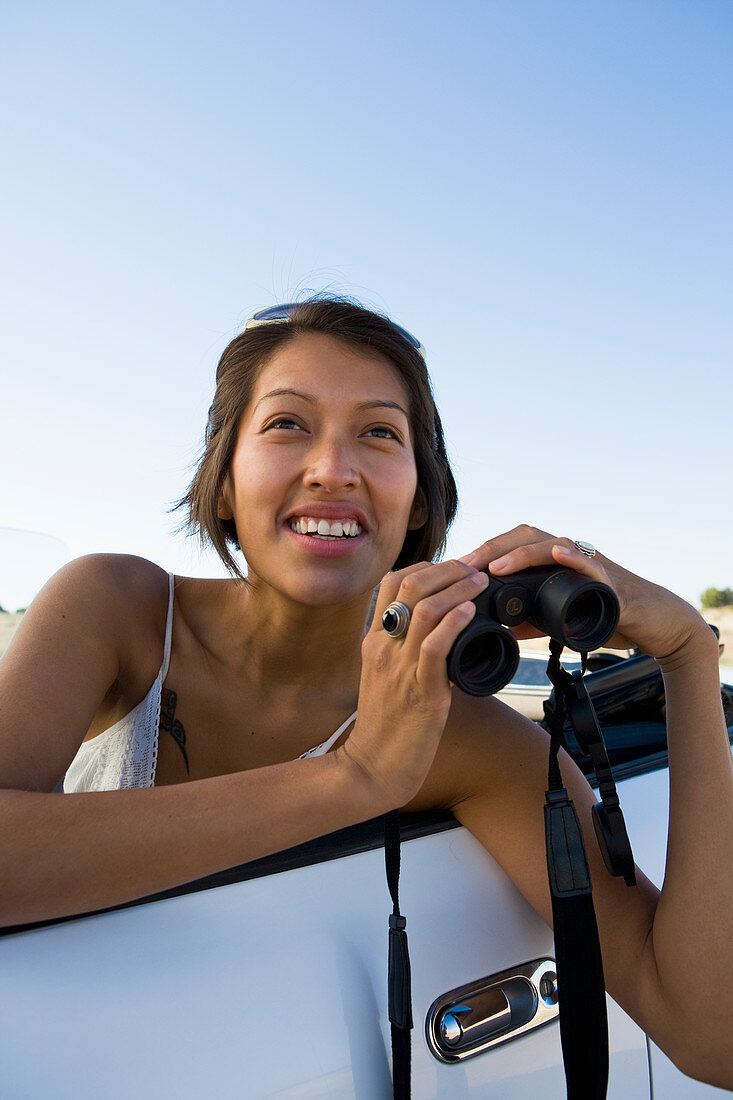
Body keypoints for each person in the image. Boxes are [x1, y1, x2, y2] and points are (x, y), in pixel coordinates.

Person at [0, 298, 731, 1088]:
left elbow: (706, 1037)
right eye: (286, 425)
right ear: (222, 481)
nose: (333, 469)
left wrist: (689, 655)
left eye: (379, 433)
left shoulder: (463, 736)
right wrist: (354, 780)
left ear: (418, 496)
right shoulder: (119, 609)